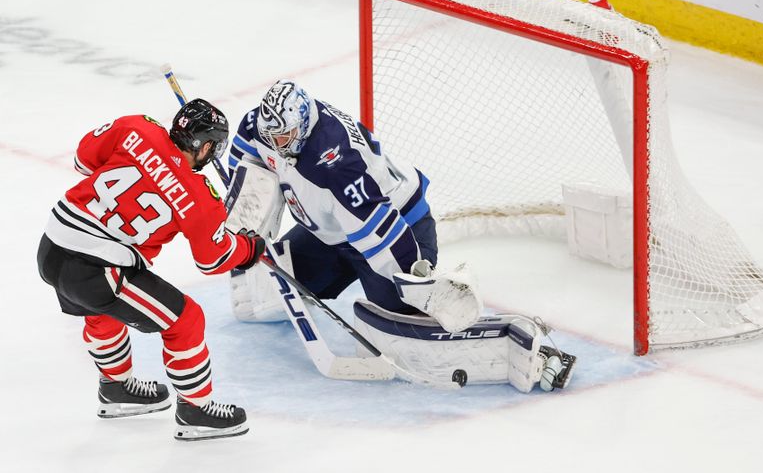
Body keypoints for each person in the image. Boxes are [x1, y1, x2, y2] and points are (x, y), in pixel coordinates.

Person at [225, 80, 576, 393]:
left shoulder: (336, 162)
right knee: (258, 291)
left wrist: (417, 286)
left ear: (302, 124)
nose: (277, 143)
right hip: (332, 232)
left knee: (399, 333)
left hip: (401, 229)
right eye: (272, 136)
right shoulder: (264, 124)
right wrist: (242, 213)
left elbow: (380, 233)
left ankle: (517, 348)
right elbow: (245, 168)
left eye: (283, 137)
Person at [36, 99, 265, 441]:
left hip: (52, 247)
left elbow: (84, 159)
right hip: (97, 268)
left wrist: (149, 165)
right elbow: (212, 259)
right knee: (186, 320)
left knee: (102, 309)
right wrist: (248, 248)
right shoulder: (201, 196)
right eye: (214, 147)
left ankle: (116, 388)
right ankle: (196, 410)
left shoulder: (135, 127)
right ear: (203, 146)